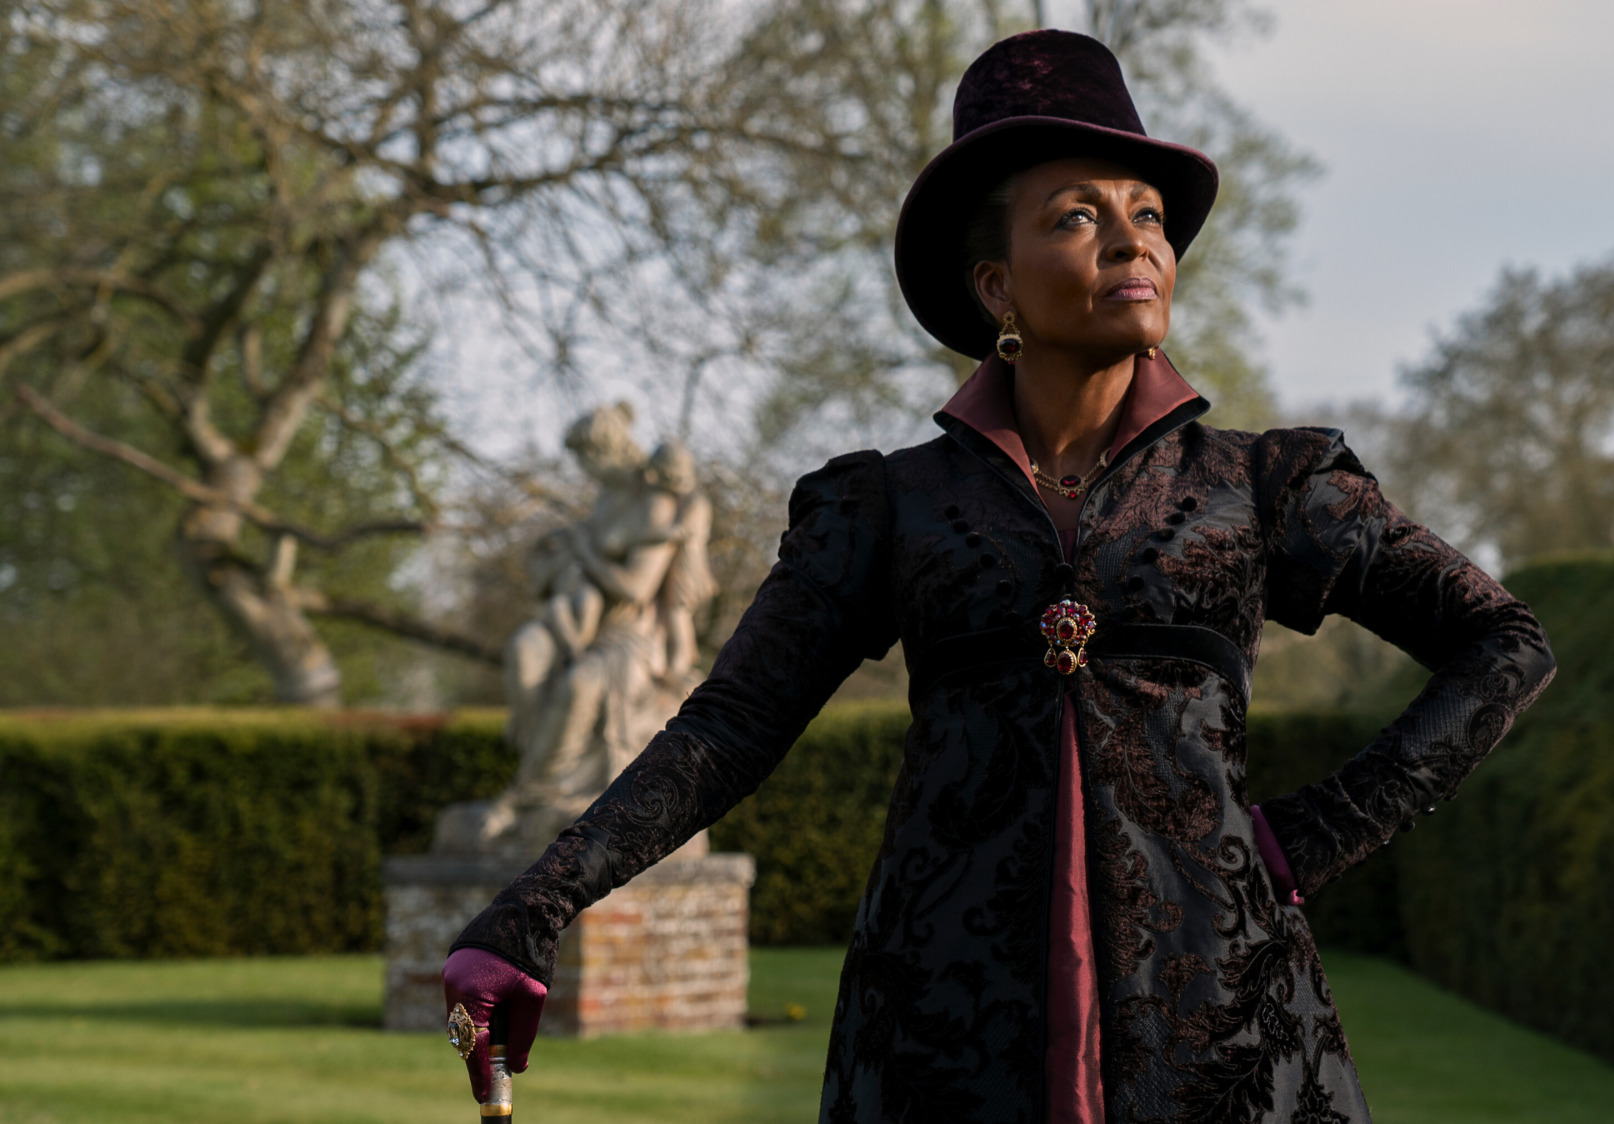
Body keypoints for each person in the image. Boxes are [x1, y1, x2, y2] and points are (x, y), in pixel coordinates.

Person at [442, 29, 1555, 1124]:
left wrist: (1307, 836)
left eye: (1149, 217)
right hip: (941, 1029)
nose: (1133, 244)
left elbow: (1502, 641)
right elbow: (731, 723)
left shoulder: (1263, 483)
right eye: (1078, 216)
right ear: (995, 284)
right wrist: (530, 906)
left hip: (1218, 1021)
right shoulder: (885, 503)